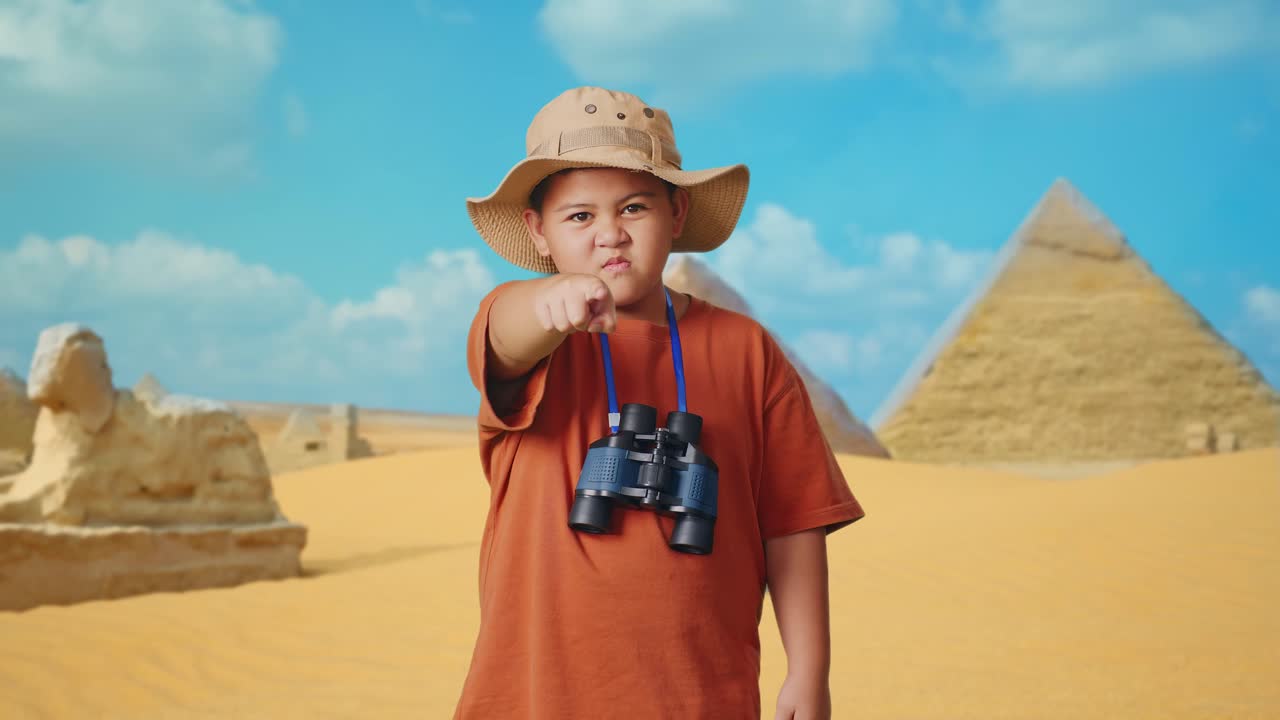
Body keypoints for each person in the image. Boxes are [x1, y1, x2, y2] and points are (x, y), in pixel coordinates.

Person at [454, 86, 865, 719]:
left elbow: (794, 522)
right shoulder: (531, 333)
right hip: (537, 697)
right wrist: (548, 307)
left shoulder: (746, 350)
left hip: (702, 696)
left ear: (676, 215)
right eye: (579, 217)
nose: (610, 236)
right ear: (538, 232)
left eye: (635, 209)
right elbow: (505, 337)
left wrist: (809, 672)